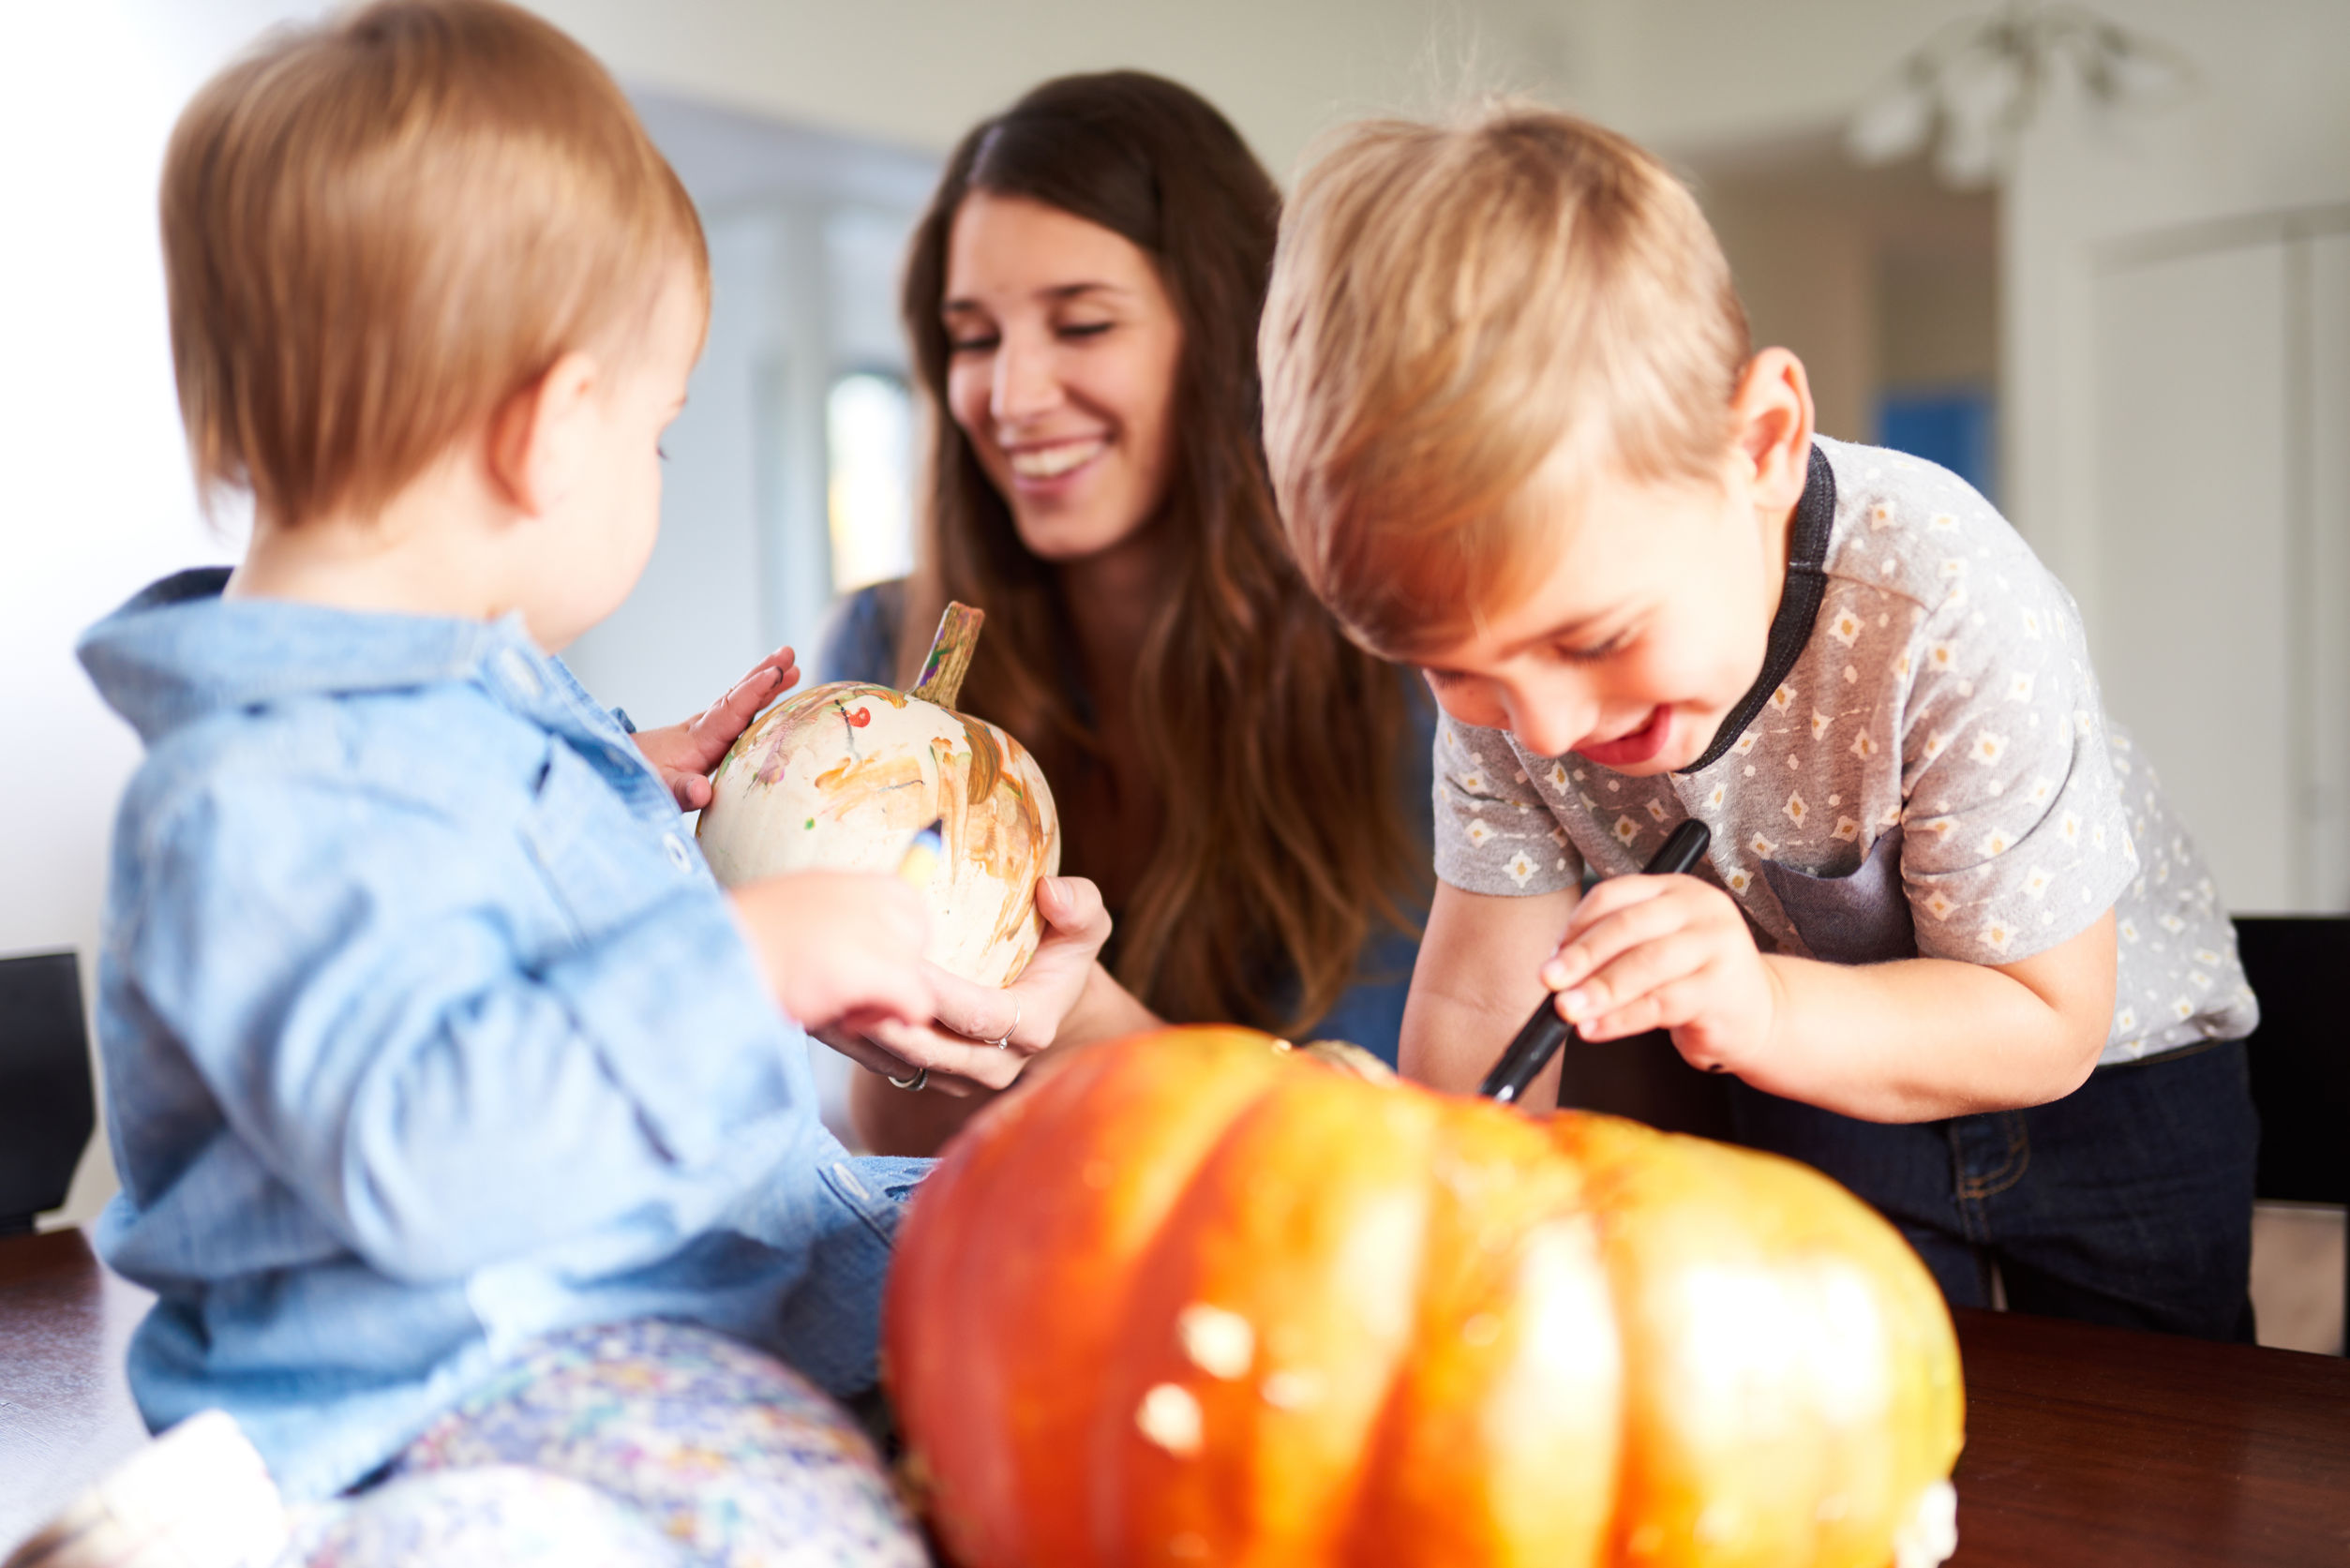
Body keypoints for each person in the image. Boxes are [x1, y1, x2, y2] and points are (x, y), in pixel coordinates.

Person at [38, 5, 939, 1561]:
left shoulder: (438, 714)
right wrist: (751, 951)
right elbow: (428, 1145)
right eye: (657, 434)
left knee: (1020, 1268)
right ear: (550, 429)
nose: (651, 465)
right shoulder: (255, 794)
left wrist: (619, 781)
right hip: (443, 1398)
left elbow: (456, 874)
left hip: (661, 1308)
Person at [1255, 104, 2261, 1340]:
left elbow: (2047, 1018)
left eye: (1595, 637)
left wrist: (1764, 1009)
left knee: (2157, 1468)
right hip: (1810, 1078)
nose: (1543, 721)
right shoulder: (1510, 670)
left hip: (2115, 1085)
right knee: (1848, 1420)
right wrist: (1439, 1223)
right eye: (1448, 671)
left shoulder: (1939, 591)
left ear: (1761, 445)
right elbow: (1477, 1006)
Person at [821, 72, 1432, 1156]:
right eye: (973, 339)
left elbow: (1375, 1144)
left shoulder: (1400, 665)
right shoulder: (888, 654)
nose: (1011, 396)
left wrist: (1078, 1021)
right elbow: (894, 1151)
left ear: (1232, 333)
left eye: (1082, 324)